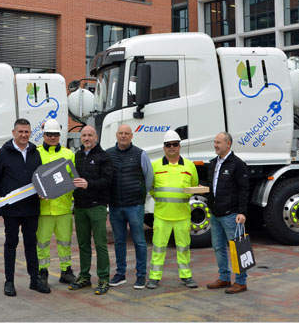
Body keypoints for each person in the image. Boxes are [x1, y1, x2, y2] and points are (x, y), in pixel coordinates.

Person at [0, 119, 51, 296]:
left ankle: (34, 280)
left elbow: (40, 178)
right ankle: (9, 281)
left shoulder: (35, 152)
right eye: (21, 132)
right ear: (13, 132)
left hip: (32, 207)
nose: (24, 135)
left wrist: (43, 190)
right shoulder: (3, 153)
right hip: (11, 209)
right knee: (11, 244)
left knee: (31, 244)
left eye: (27, 132)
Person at [146, 130, 199, 290]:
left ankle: (186, 276)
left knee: (184, 248)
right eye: (168, 145)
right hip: (162, 215)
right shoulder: (155, 166)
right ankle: (154, 278)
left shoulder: (190, 166)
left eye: (174, 144)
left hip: (182, 216)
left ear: (179, 146)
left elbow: (194, 185)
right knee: (158, 248)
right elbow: (151, 188)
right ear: (163, 147)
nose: (171, 147)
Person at [105, 124, 152, 289]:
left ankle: (140, 276)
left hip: (134, 206)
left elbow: (149, 177)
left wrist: (140, 195)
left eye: (126, 133)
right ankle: (120, 274)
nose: (123, 136)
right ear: (116, 135)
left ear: (131, 136)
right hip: (116, 206)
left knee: (139, 241)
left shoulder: (140, 154)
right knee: (119, 242)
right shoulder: (108, 154)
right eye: (120, 133)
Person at [68, 126, 113, 295]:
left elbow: (108, 181)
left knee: (100, 244)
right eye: (84, 135)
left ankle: (103, 278)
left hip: (97, 206)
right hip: (80, 207)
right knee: (83, 244)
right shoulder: (78, 156)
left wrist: (89, 185)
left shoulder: (104, 157)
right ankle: (84, 276)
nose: (86, 138)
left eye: (90, 135)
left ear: (96, 137)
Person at [205, 132, 250, 294]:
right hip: (216, 213)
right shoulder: (214, 163)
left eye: (219, 142)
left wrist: (242, 212)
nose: (216, 145)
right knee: (218, 247)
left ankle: (240, 282)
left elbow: (244, 189)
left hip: (231, 214)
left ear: (228, 144)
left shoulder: (237, 164)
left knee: (237, 248)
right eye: (214, 142)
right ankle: (224, 278)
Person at [36, 119, 77, 286]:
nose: (52, 137)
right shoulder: (36, 153)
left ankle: (66, 270)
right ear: (43, 135)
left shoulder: (69, 154)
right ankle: (42, 271)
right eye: (49, 134)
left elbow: (74, 179)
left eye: (55, 134)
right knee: (42, 243)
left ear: (60, 135)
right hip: (43, 209)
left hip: (63, 207)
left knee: (65, 242)